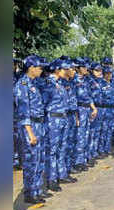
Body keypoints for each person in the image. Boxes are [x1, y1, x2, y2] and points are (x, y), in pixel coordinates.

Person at [14, 55, 48, 204]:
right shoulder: (22, 85)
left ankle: (37, 190)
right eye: (39, 67)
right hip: (30, 127)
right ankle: (29, 192)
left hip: (39, 125)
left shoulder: (34, 84)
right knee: (30, 161)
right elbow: (23, 113)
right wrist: (30, 133)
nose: (41, 70)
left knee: (39, 158)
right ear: (31, 68)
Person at [43, 59, 77, 192]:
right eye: (64, 69)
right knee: (52, 150)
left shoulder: (60, 84)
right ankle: (51, 179)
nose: (67, 71)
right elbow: (43, 104)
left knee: (61, 148)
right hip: (53, 120)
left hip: (63, 119)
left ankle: (61, 174)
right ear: (57, 70)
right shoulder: (48, 84)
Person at [73, 57, 98, 170]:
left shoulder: (86, 80)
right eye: (83, 67)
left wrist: (94, 108)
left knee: (86, 134)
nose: (86, 69)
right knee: (80, 136)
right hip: (79, 110)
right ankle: (78, 161)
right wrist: (76, 116)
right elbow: (72, 99)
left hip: (87, 109)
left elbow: (89, 97)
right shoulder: (73, 80)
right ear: (78, 68)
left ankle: (84, 158)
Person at [61, 58, 81, 175]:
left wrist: (77, 117)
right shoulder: (60, 83)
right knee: (64, 145)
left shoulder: (71, 83)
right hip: (64, 117)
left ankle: (69, 167)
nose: (74, 71)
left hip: (72, 115)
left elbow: (74, 103)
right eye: (72, 69)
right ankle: (62, 171)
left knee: (71, 142)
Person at [98, 67, 114, 156]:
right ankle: (101, 149)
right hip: (104, 109)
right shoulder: (100, 84)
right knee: (103, 130)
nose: (109, 75)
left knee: (110, 130)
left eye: (110, 73)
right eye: (107, 73)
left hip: (113, 110)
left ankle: (107, 148)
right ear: (104, 74)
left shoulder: (113, 84)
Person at [89, 62, 104, 159]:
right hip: (92, 109)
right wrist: (93, 108)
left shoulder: (101, 82)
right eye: (96, 70)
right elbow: (88, 97)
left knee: (98, 131)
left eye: (100, 70)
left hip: (101, 108)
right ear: (91, 71)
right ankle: (89, 154)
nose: (99, 72)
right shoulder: (89, 82)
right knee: (91, 132)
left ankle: (95, 152)